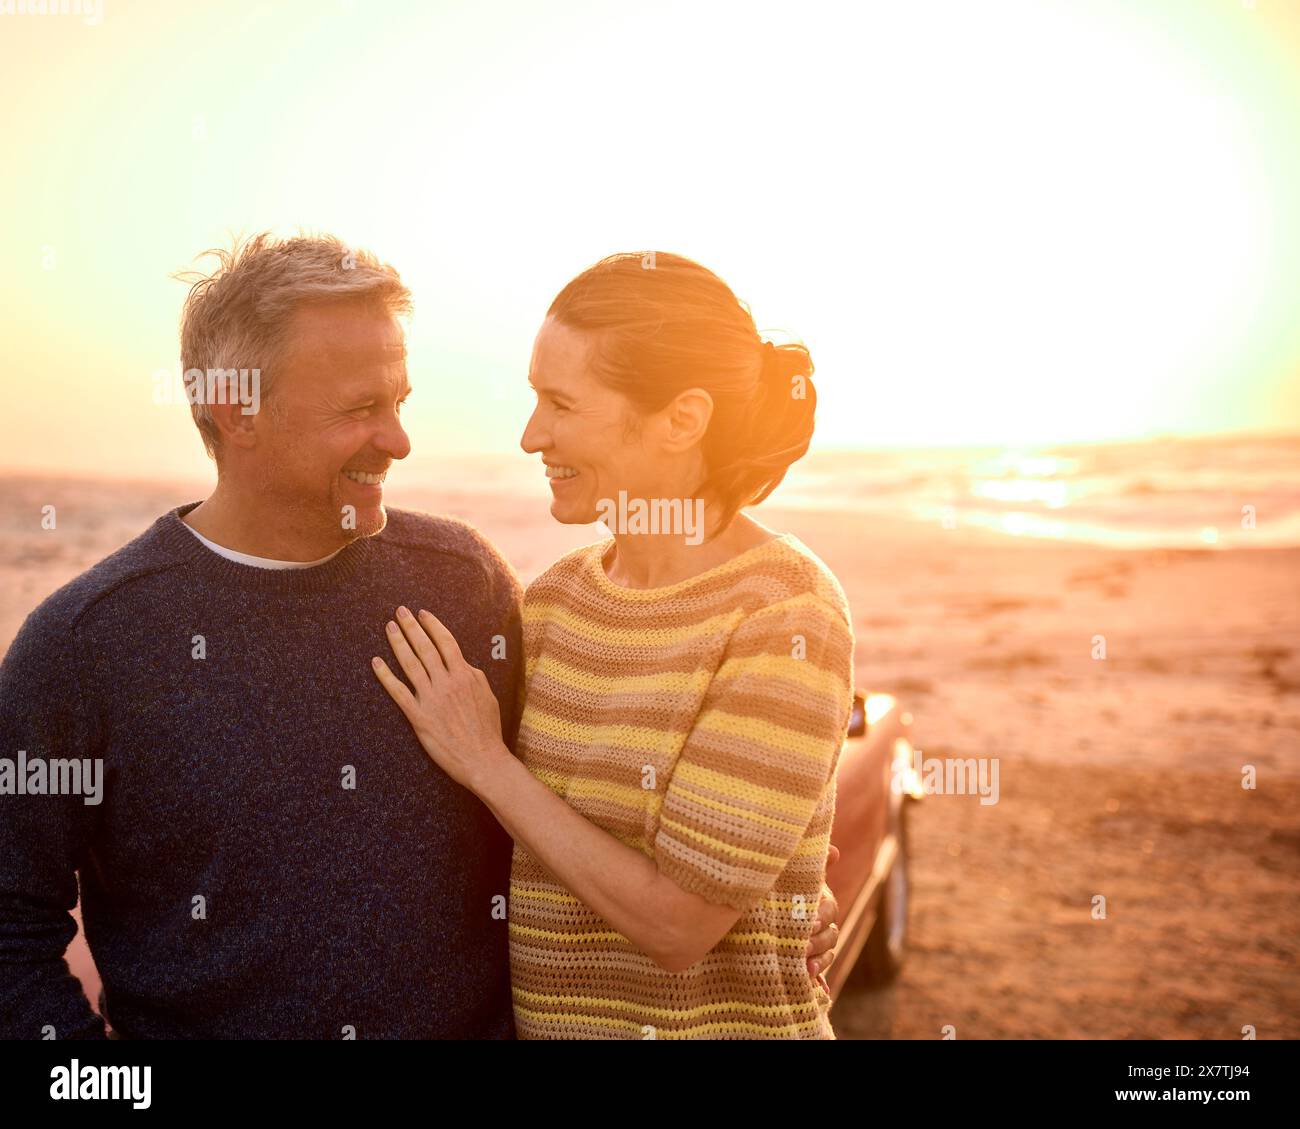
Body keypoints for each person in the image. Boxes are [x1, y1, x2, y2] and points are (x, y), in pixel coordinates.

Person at [0, 235, 839, 1039]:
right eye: (362, 409)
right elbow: (11, 925)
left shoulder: (464, 583)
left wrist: (777, 895)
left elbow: (599, 802)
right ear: (238, 411)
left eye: (400, 403)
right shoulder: (83, 644)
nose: (400, 441)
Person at [373, 252, 855, 1039]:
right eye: (535, 398)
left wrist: (485, 758)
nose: (532, 435)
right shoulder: (557, 600)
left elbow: (677, 926)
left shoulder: (787, 613)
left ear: (682, 419)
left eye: (561, 403)